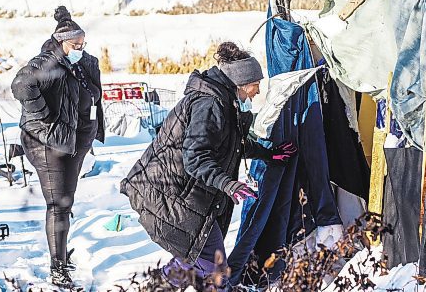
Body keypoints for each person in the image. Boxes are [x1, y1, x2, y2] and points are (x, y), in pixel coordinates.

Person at [120, 42, 297, 289]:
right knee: (215, 271)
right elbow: (196, 158)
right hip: (170, 195)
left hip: (185, 195)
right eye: (256, 84)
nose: (257, 92)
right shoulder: (210, 105)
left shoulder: (225, 103)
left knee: (190, 261)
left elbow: (230, 145)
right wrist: (228, 184)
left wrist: (269, 154)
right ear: (242, 83)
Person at [11, 6, 104, 288]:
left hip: (73, 142)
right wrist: (42, 116)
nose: (80, 48)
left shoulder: (82, 62)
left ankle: (61, 253)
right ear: (61, 42)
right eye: (75, 45)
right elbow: (21, 85)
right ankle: (58, 268)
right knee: (58, 205)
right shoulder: (47, 63)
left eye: (82, 44)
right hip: (45, 142)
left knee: (67, 201)